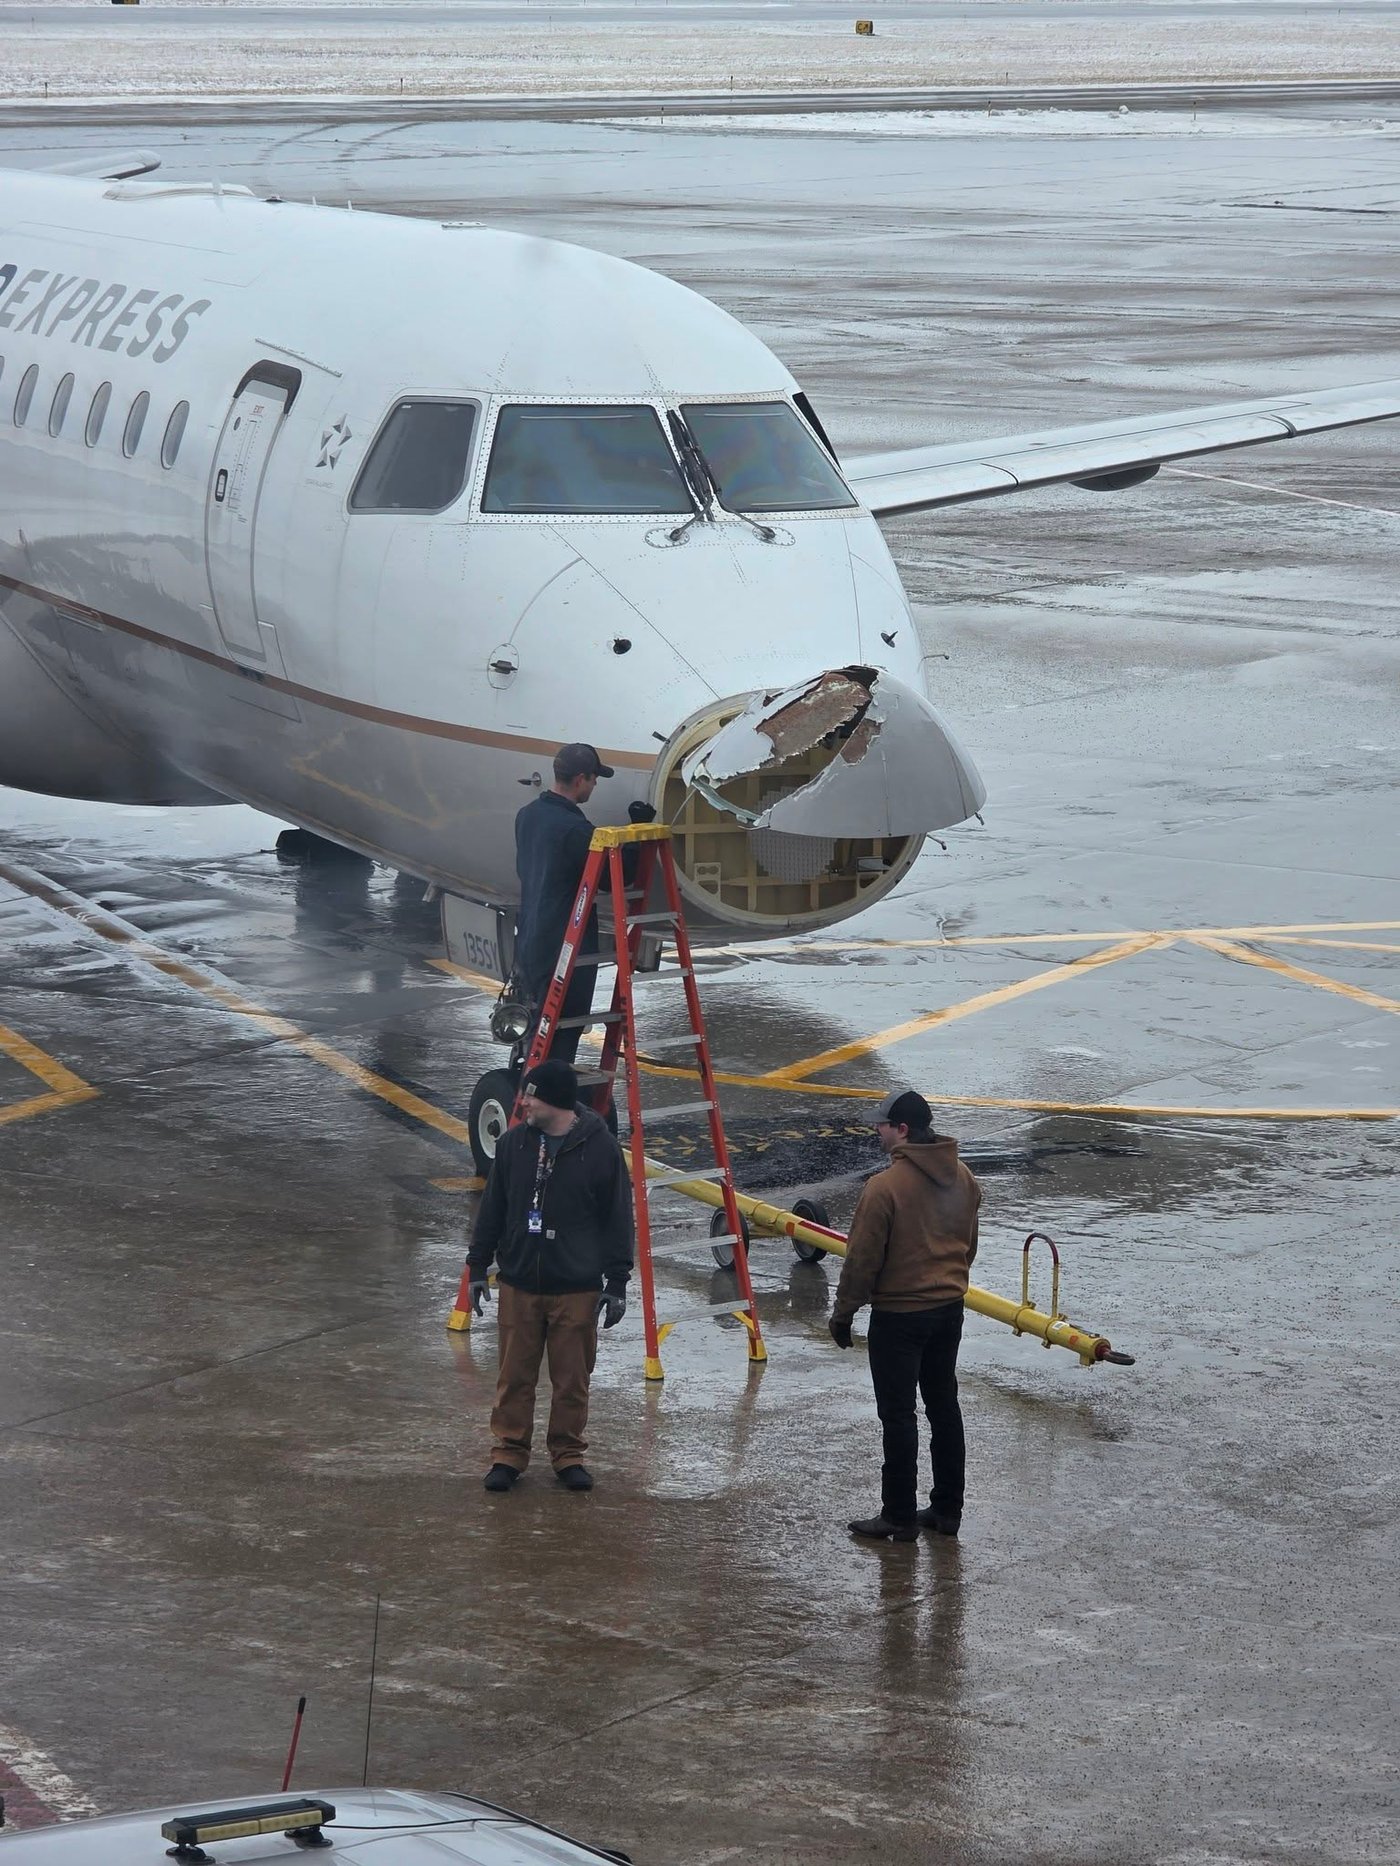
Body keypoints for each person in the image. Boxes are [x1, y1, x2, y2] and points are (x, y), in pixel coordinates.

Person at [466, 1057, 633, 1493]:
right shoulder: (513, 1145)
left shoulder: (601, 1150)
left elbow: (618, 1218)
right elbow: (493, 1210)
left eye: (530, 1095)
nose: (522, 1102)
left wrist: (617, 1283)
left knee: (572, 1380)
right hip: (520, 1282)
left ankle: (568, 1454)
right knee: (513, 1377)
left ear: (555, 1102)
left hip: (576, 1287)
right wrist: (478, 1266)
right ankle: (508, 1454)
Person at [828, 1088, 981, 1543]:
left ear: (903, 1131)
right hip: (948, 1311)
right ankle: (946, 1510)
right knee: (944, 1407)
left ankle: (898, 1516)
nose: (876, 1130)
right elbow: (969, 1245)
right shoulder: (965, 1177)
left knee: (898, 1416)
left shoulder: (884, 1188)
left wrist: (843, 1313)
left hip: (898, 1316)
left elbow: (861, 1261)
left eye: (882, 1124)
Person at [512, 742, 614, 1067]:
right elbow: (613, 880)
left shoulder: (526, 816)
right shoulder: (576, 831)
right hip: (565, 952)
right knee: (560, 1040)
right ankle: (544, 1106)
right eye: (595, 779)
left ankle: (527, 1088)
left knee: (534, 1033)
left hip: (529, 942)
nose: (595, 786)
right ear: (580, 779)